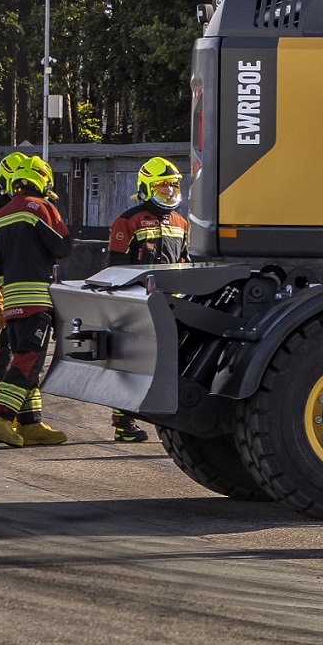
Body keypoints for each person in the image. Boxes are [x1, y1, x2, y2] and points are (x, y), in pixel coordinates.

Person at [0, 151, 70, 447]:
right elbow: (63, 246)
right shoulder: (31, 208)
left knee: (24, 360)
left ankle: (30, 421)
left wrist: (4, 299)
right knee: (17, 359)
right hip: (27, 298)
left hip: (12, 298)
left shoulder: (2, 215)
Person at [98, 157, 191, 443]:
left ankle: (166, 416)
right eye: (162, 187)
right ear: (146, 189)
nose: (169, 192)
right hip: (136, 303)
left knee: (169, 362)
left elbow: (184, 262)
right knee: (132, 363)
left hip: (171, 305)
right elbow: (115, 267)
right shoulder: (128, 220)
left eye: (173, 186)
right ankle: (123, 421)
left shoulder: (181, 222)